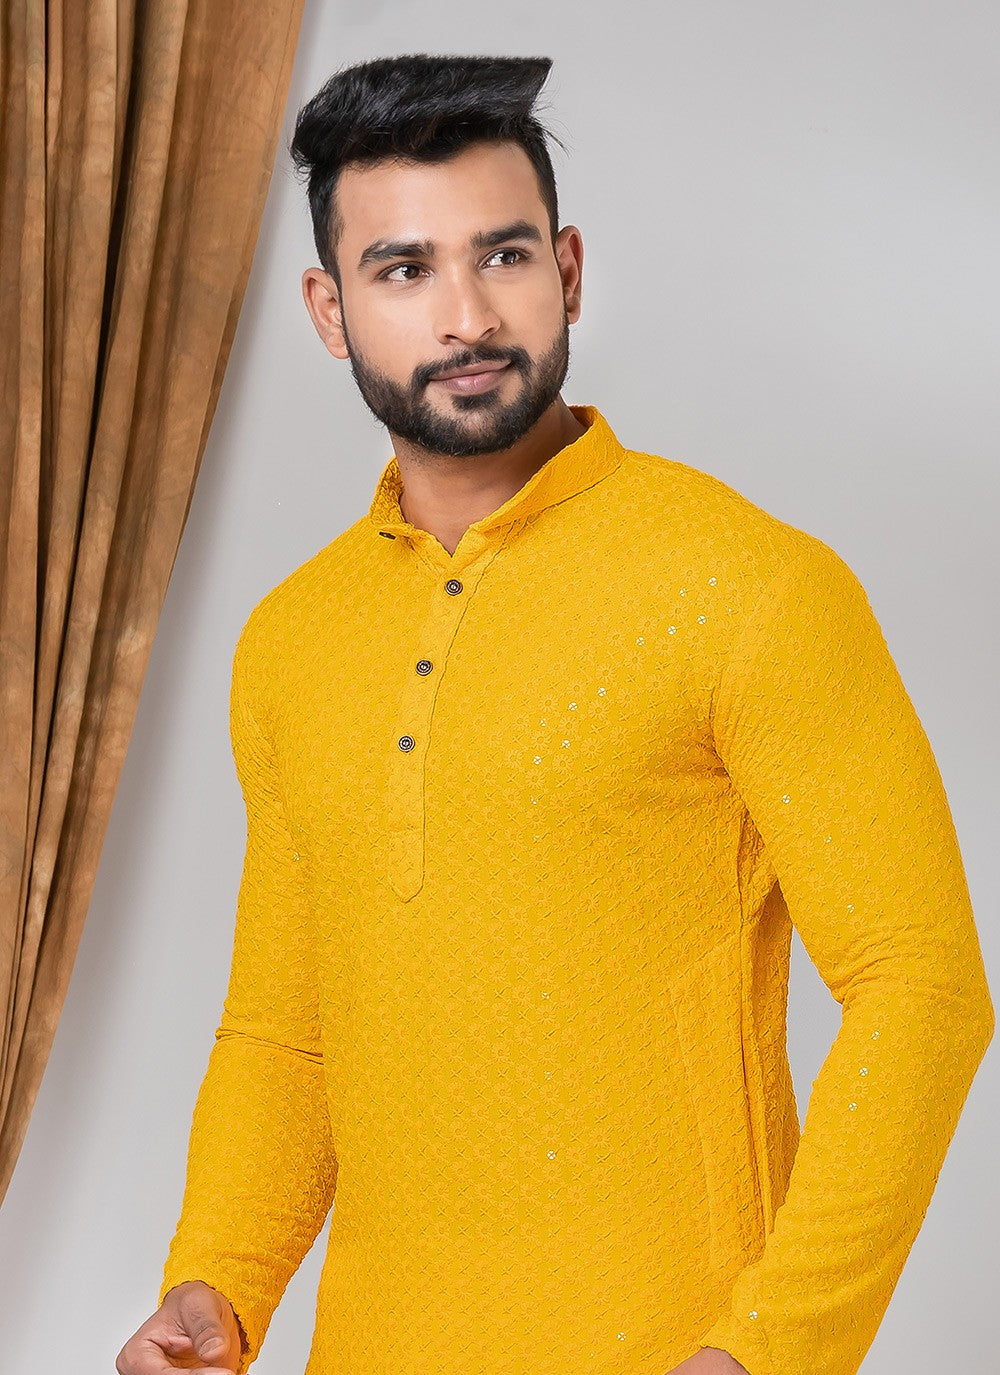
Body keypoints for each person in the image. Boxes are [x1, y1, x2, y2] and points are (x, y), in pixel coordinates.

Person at [116, 52, 994, 1375]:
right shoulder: (291, 640)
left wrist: (768, 1350)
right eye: (404, 270)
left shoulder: (749, 587)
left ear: (568, 271)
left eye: (504, 255)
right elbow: (287, 1030)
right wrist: (218, 1281)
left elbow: (921, 991)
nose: (466, 315)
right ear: (330, 309)